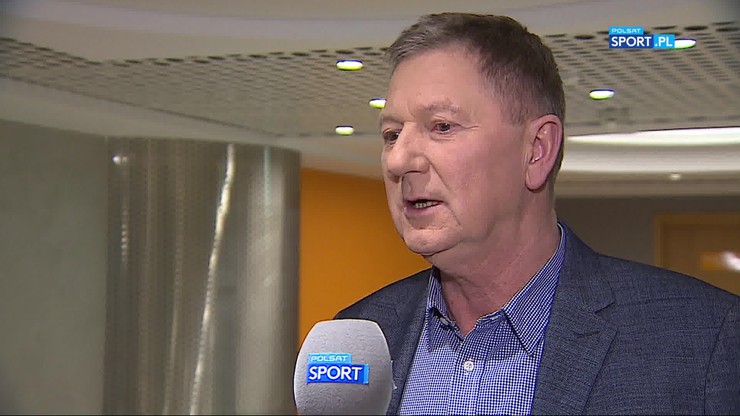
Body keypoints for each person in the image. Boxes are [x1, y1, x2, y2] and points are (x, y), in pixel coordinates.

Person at [335, 12, 739, 415]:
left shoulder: (703, 339)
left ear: (537, 150)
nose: (398, 159)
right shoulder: (357, 337)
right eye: (392, 134)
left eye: (442, 126)